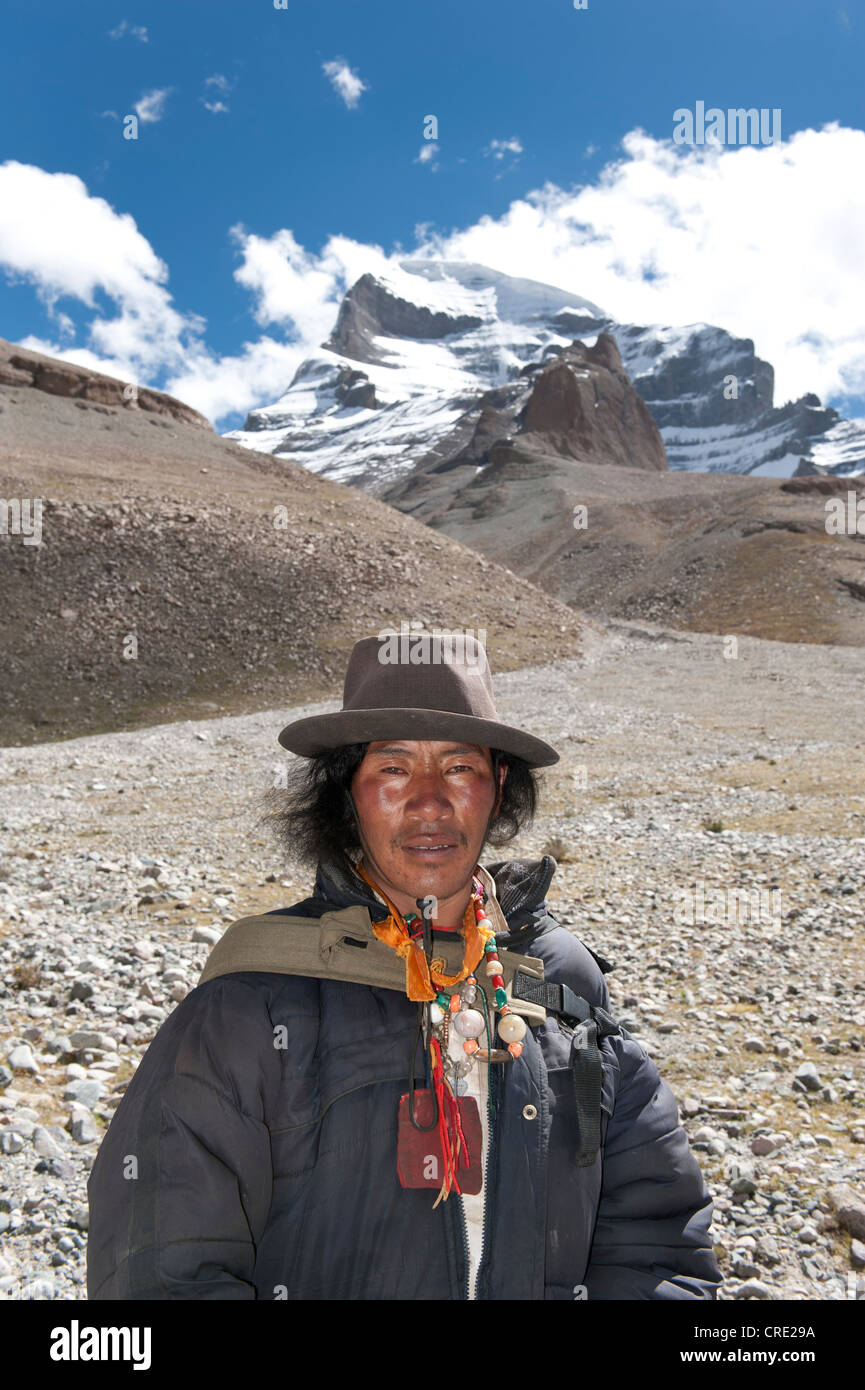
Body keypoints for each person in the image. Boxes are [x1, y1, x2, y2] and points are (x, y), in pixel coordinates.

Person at [87, 631, 722, 1300]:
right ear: (347, 794)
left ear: (498, 787)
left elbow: (658, 1246)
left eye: (458, 767)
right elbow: (159, 1275)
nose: (428, 800)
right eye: (392, 768)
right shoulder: (250, 1002)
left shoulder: (560, 977)